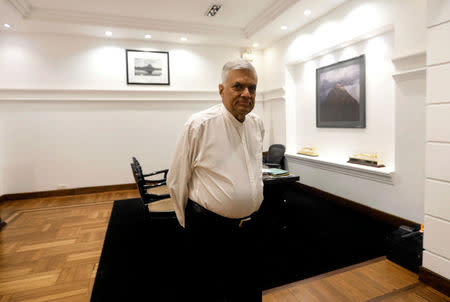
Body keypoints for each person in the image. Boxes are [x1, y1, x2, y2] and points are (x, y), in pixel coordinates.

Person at [167, 59, 265, 301]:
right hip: (209, 232)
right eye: (238, 86)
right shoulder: (199, 125)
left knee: (249, 287)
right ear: (221, 89)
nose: (246, 94)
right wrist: (188, 223)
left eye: (252, 88)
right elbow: (177, 178)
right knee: (211, 291)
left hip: (251, 226)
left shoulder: (257, 124)